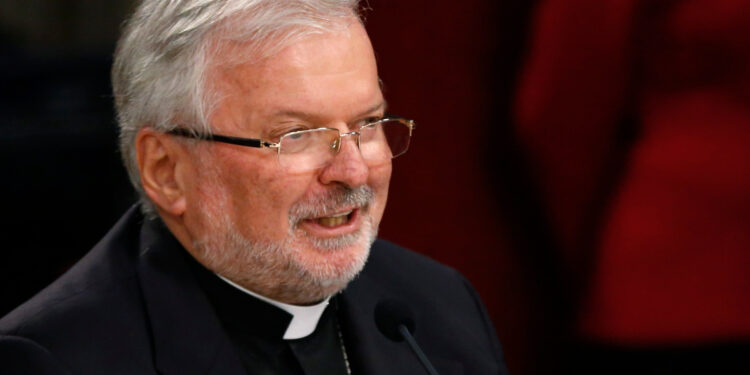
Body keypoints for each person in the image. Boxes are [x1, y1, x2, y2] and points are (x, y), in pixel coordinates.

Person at [0, 1, 509, 374]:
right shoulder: (52, 360)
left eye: (368, 124)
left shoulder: (440, 308)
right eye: (298, 136)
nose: (353, 171)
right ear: (166, 170)